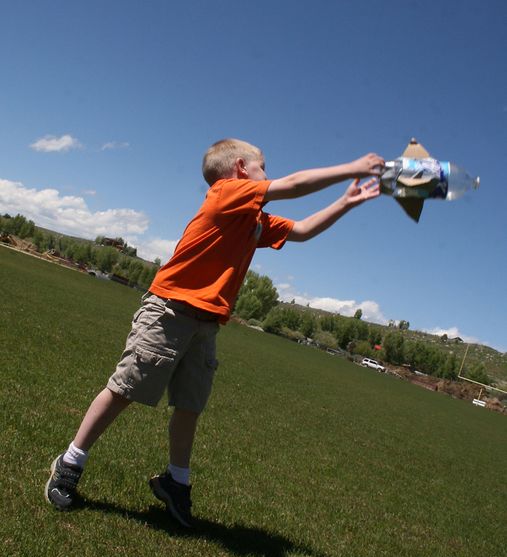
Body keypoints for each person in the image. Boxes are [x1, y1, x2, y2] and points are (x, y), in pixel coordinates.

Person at [45, 138, 384, 527]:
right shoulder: (226, 194)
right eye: (263, 167)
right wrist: (352, 166)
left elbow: (303, 230)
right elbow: (292, 185)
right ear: (241, 169)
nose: (267, 175)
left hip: (207, 324)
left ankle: (177, 483)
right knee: (126, 388)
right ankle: (70, 462)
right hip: (169, 310)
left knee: (189, 406)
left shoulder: (255, 220)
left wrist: (346, 201)